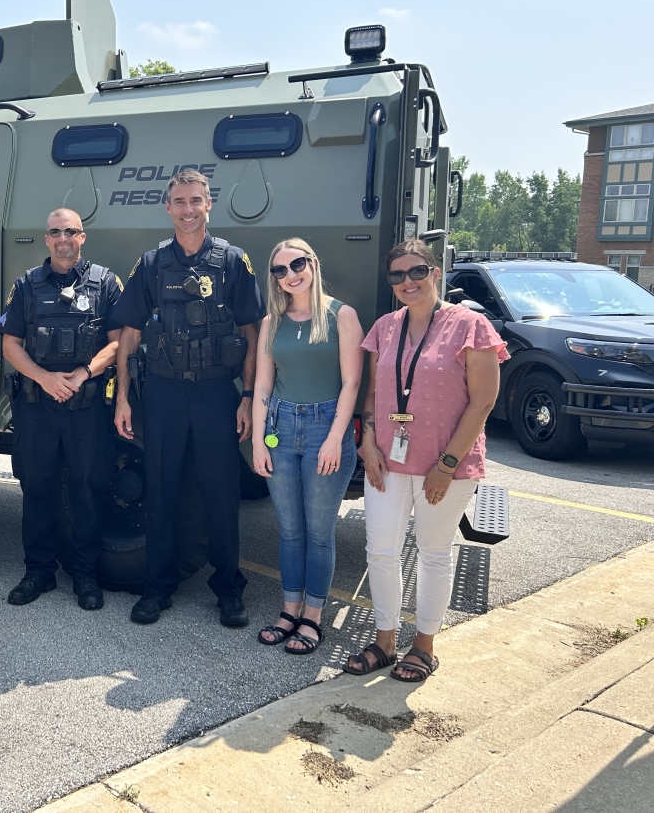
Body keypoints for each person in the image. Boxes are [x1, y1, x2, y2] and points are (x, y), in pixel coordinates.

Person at [344, 239, 507, 682]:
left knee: (434, 553)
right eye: (396, 275)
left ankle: (424, 646)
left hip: (445, 464)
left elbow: (484, 401)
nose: (407, 282)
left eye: (416, 271)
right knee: (380, 551)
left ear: (436, 272)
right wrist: (369, 442)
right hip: (388, 460)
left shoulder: (471, 326)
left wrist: (448, 463)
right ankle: (384, 640)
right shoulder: (384, 327)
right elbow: (374, 394)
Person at [113, 168, 263, 628]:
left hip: (217, 393)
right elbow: (129, 334)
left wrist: (248, 397)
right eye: (179, 201)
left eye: (195, 200)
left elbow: (250, 333)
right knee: (162, 488)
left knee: (221, 492)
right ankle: (157, 587)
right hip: (162, 391)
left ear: (209, 203)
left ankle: (228, 589)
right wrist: (122, 398)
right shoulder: (152, 264)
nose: (188, 209)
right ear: (168, 207)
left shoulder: (234, 261)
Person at [2, 208, 123, 611]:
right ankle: (38, 571)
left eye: (70, 231)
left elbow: (118, 342)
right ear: (47, 238)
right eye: (55, 231)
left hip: (84, 404)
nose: (63, 238)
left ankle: (85, 575)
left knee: (87, 488)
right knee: (35, 486)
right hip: (38, 404)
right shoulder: (26, 285)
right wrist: (43, 377)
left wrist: (84, 372)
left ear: (82, 236)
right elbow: (11, 345)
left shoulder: (105, 283)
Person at [251, 239, 363, 655]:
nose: (290, 275)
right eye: (280, 270)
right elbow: (263, 384)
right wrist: (260, 441)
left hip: (323, 429)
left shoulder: (341, 316)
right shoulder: (272, 322)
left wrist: (337, 437)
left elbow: (352, 382)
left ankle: (312, 619)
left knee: (319, 533)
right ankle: (288, 611)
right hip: (281, 429)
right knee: (290, 531)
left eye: (297, 264)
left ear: (312, 263)